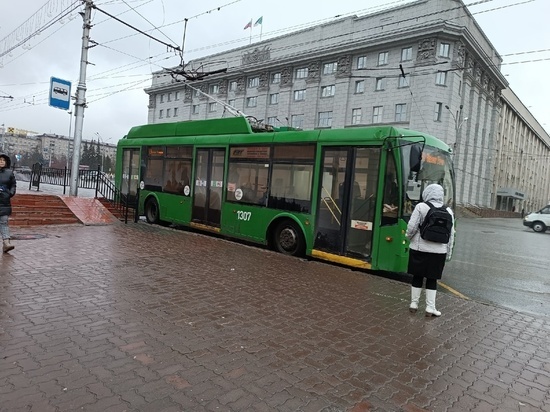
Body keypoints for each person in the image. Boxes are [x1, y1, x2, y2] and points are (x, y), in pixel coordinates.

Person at [406, 183, 455, 317]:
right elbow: (451, 235)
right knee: (432, 279)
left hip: (419, 249)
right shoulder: (449, 211)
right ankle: (430, 308)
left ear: (427, 193)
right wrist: (448, 253)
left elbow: (412, 227)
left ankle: (414, 304)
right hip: (439, 252)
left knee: (417, 276)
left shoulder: (421, 207)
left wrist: (409, 238)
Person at [0, 153, 17, 253]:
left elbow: (13, 185)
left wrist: (10, 193)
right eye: (0, 160)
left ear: (6, 162)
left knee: (4, 222)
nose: (1, 162)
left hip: (4, 202)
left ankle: (6, 243)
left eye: (3, 160)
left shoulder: (9, 173)